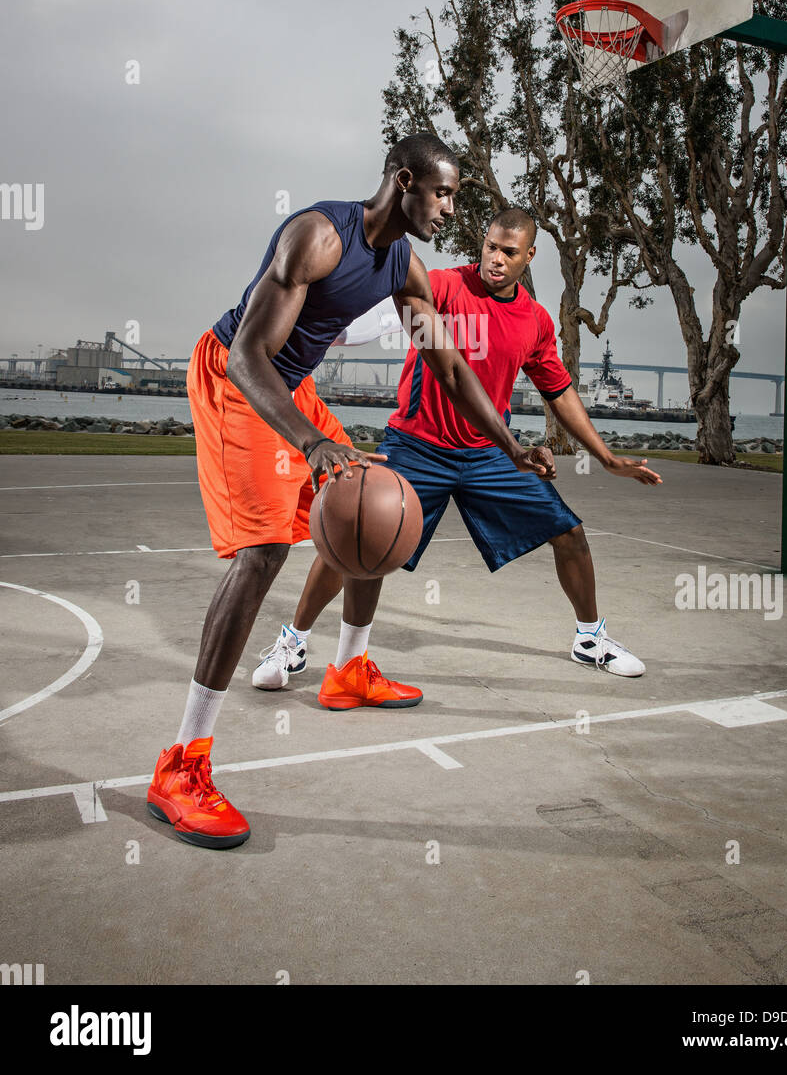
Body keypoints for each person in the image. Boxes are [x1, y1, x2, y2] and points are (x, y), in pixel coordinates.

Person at [146, 136, 554, 849]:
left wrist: (510, 444)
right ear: (403, 182)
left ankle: (350, 669)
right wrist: (311, 442)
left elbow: (450, 368)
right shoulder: (318, 237)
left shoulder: (404, 265)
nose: (449, 209)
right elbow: (247, 355)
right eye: (442, 193)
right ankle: (181, 767)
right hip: (233, 378)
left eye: (454, 195)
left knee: (376, 502)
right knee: (266, 550)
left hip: (290, 386)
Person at [253, 208, 662, 698]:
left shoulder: (534, 320)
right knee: (355, 534)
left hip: (492, 453)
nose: (495, 258)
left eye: (509, 252)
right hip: (417, 446)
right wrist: (309, 326)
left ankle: (590, 639)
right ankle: (293, 643)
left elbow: (560, 390)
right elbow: (381, 316)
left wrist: (607, 457)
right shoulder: (444, 286)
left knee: (569, 533)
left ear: (528, 257)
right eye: (490, 246)